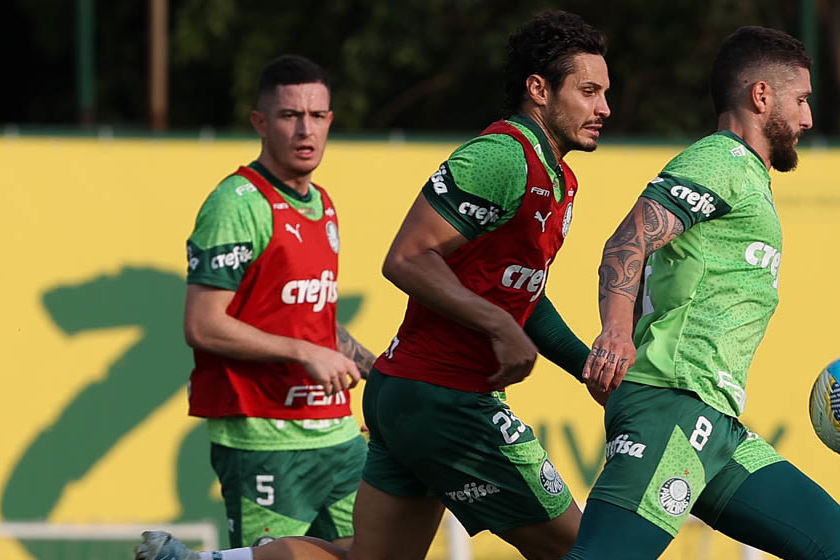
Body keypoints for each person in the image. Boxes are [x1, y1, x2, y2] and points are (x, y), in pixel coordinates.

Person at [136, 11, 609, 560]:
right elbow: (406, 258)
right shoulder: (503, 156)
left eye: (317, 115)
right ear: (538, 90)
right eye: (589, 91)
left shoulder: (557, 178)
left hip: (389, 398)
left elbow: (520, 295)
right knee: (585, 552)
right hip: (435, 402)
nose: (604, 108)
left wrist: (585, 369)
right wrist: (499, 325)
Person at [566, 27, 840, 559]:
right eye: (801, 100)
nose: (808, 119)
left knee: (839, 547)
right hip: (676, 405)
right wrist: (616, 332)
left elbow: (658, 269)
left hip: (717, 425)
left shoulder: (748, 176)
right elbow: (627, 242)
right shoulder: (719, 161)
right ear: (761, 96)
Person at [175, 54, 374, 556]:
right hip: (264, 437)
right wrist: (304, 353)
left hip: (337, 431)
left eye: (318, 115)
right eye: (289, 116)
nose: (305, 129)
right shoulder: (237, 203)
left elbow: (314, 319)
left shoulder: (323, 202)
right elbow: (203, 324)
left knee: (380, 552)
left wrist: (382, 369)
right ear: (260, 123)